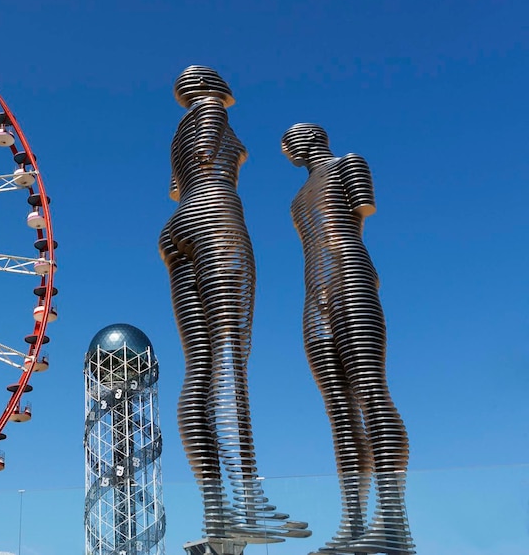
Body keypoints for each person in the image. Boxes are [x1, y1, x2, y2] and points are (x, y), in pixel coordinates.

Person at [160, 66, 308, 545]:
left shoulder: (175, 133)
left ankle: (217, 511)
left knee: (200, 367)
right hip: (216, 219)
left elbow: (175, 188)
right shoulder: (209, 113)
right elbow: (208, 154)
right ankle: (248, 504)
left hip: (178, 225)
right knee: (230, 361)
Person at [282, 123, 414, 554]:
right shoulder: (297, 198)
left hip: (351, 275)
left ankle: (392, 518)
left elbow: (362, 210)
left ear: (314, 137)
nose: (287, 146)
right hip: (312, 290)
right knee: (338, 408)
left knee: (371, 391)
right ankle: (354, 523)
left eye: (293, 137)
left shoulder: (348, 164)